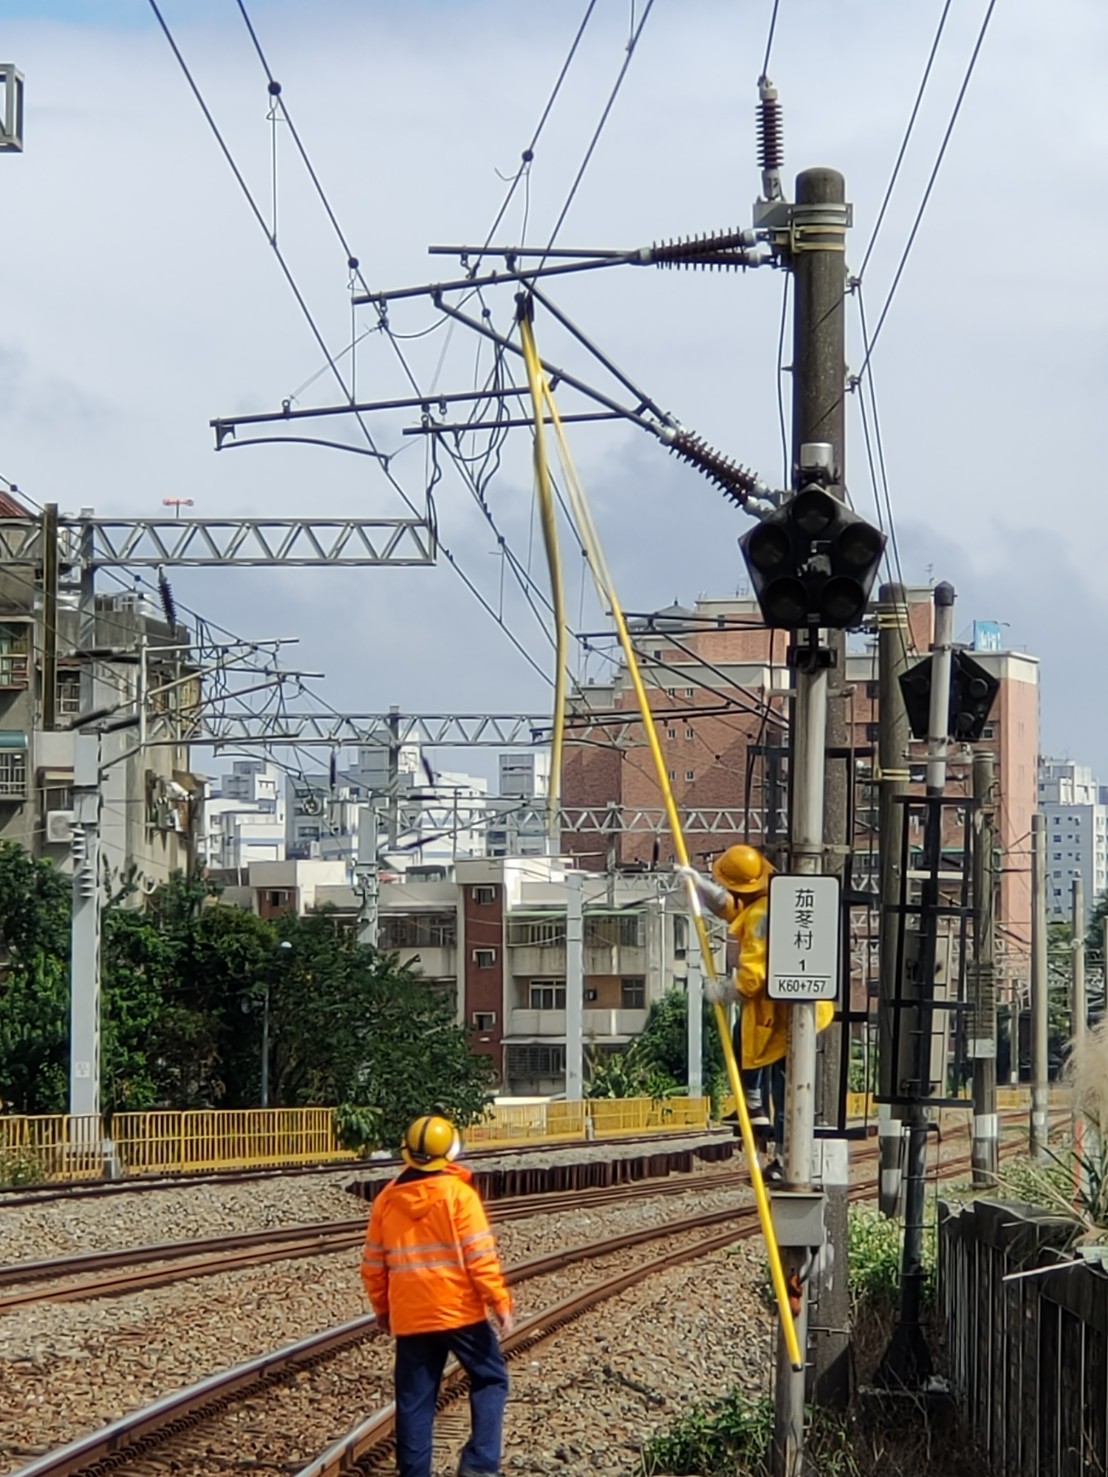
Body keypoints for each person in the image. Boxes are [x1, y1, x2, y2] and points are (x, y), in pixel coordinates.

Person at [361, 1113, 515, 1477]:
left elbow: (372, 1265)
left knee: (414, 1401)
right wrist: (500, 1303)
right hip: (460, 1313)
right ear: (450, 1153)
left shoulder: (386, 1200)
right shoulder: (459, 1196)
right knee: (491, 1377)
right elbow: (480, 1259)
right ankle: (479, 1465)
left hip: (412, 1315)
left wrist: (383, 1309)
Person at [680, 844, 833, 1184]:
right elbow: (733, 906)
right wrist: (702, 888)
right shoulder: (771, 898)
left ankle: (783, 1157)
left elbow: (752, 977)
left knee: (786, 1089)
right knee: (745, 1042)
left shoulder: (760, 917)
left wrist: (723, 991)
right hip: (798, 1008)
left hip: (787, 1015)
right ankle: (753, 1108)